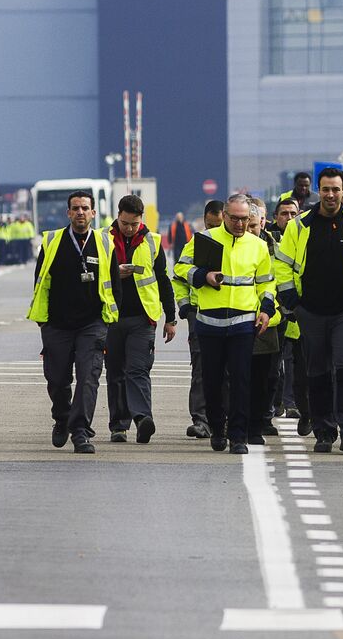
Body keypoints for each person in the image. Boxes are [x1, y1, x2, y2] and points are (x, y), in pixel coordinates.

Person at [276, 167, 343, 453]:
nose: (331, 195)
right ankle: (323, 431)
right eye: (326, 189)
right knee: (316, 372)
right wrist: (293, 301)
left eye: (336, 189)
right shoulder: (299, 225)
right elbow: (282, 264)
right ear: (318, 191)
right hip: (311, 311)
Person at [174, 194, 274, 453]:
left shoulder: (257, 245)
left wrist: (266, 309)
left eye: (245, 219)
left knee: (241, 379)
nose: (240, 224)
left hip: (243, 322)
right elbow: (180, 270)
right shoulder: (204, 240)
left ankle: (238, 436)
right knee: (212, 380)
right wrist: (202, 275)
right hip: (209, 322)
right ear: (224, 217)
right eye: (235, 219)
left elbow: (266, 282)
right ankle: (217, 428)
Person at [27, 190, 119, 455]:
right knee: (57, 379)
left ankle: (80, 431)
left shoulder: (104, 243)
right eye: (75, 208)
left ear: (93, 213)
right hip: (57, 323)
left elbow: (114, 284)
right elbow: (40, 281)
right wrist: (43, 322)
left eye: (85, 208)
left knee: (88, 378)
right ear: (68, 213)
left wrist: (108, 319)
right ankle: (61, 417)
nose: (80, 212)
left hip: (92, 324)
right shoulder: (52, 241)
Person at [106, 195, 177, 444]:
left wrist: (171, 317)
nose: (129, 228)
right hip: (111, 317)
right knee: (115, 372)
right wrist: (117, 274)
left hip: (142, 318)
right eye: (125, 223)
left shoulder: (153, 241)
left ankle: (142, 419)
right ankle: (118, 425)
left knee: (138, 370)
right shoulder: (104, 239)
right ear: (118, 215)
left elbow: (163, 280)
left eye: (134, 224)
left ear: (141, 219)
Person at [173, 199, 224, 438]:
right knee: (201, 368)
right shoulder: (196, 243)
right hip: (200, 314)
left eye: (218, 225)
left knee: (230, 370)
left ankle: (225, 419)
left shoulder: (239, 243)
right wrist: (185, 308)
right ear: (204, 221)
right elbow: (179, 274)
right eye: (209, 225)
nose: (213, 230)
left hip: (232, 314)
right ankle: (201, 420)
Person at [246, 200, 283, 444]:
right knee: (238, 376)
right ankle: (239, 423)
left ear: (262, 222)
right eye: (244, 225)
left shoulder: (277, 249)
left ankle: (260, 420)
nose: (249, 230)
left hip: (269, 322)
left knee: (268, 377)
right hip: (236, 321)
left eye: (253, 225)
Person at [268, 199, 305, 421]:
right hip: (272, 309)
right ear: (276, 216)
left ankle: (292, 403)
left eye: (293, 214)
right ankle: (275, 402)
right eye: (284, 214)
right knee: (273, 361)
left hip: (295, 309)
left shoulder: (304, 238)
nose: (289, 218)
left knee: (293, 359)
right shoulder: (266, 240)